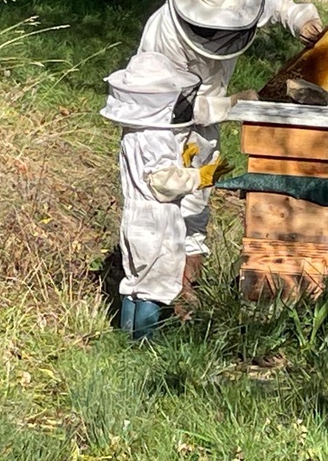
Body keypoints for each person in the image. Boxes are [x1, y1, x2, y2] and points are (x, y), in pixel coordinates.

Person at [135, 0, 323, 305]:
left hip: (204, 127)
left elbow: (277, 5)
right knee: (167, 212)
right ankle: (164, 299)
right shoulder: (163, 41)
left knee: (196, 211)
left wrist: (301, 18)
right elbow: (169, 109)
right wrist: (230, 104)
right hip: (164, 134)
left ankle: (189, 293)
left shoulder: (234, 3)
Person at [100, 52, 234, 340]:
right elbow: (163, 183)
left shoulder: (133, 133)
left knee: (135, 282)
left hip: (134, 216)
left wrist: (182, 160)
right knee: (156, 285)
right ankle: (146, 342)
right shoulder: (157, 137)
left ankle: (126, 340)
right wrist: (201, 176)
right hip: (157, 219)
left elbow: (150, 173)